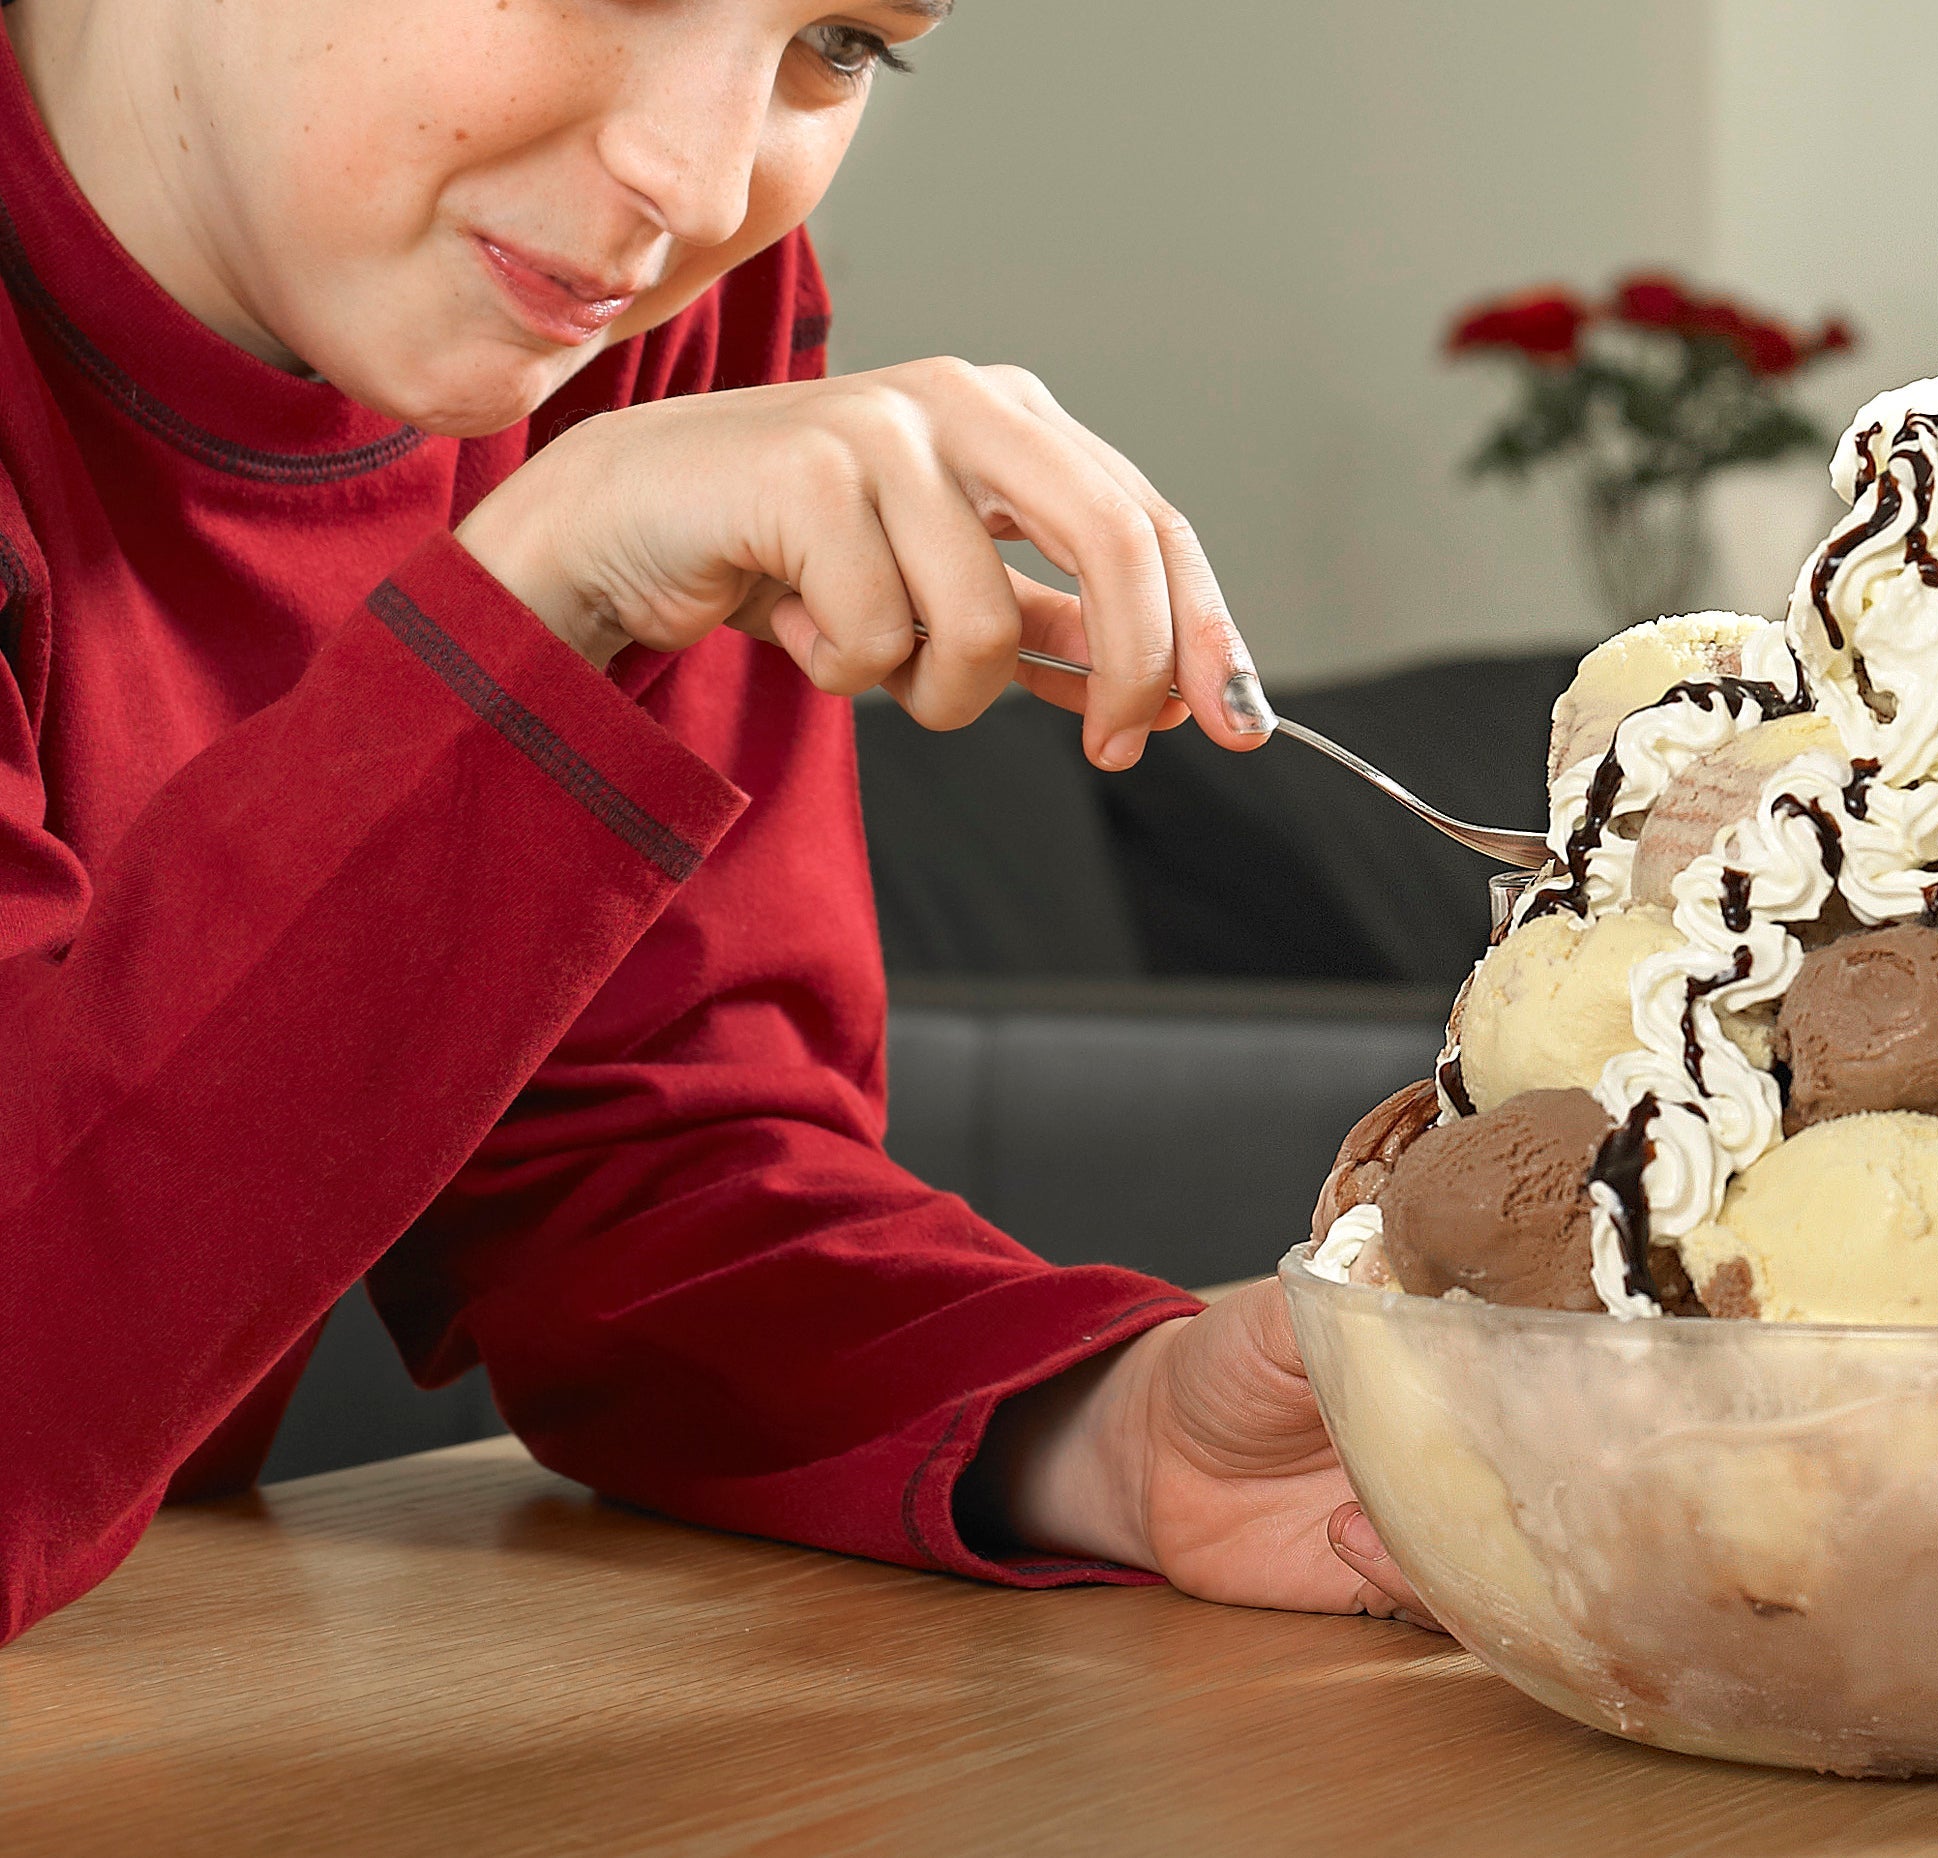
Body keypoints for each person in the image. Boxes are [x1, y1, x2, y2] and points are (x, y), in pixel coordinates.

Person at [0, 0, 1425, 1643]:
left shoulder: (614, 313)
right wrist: (540, 597)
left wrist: (1117, 1428)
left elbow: (641, 1153)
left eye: (838, 42)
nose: (690, 182)